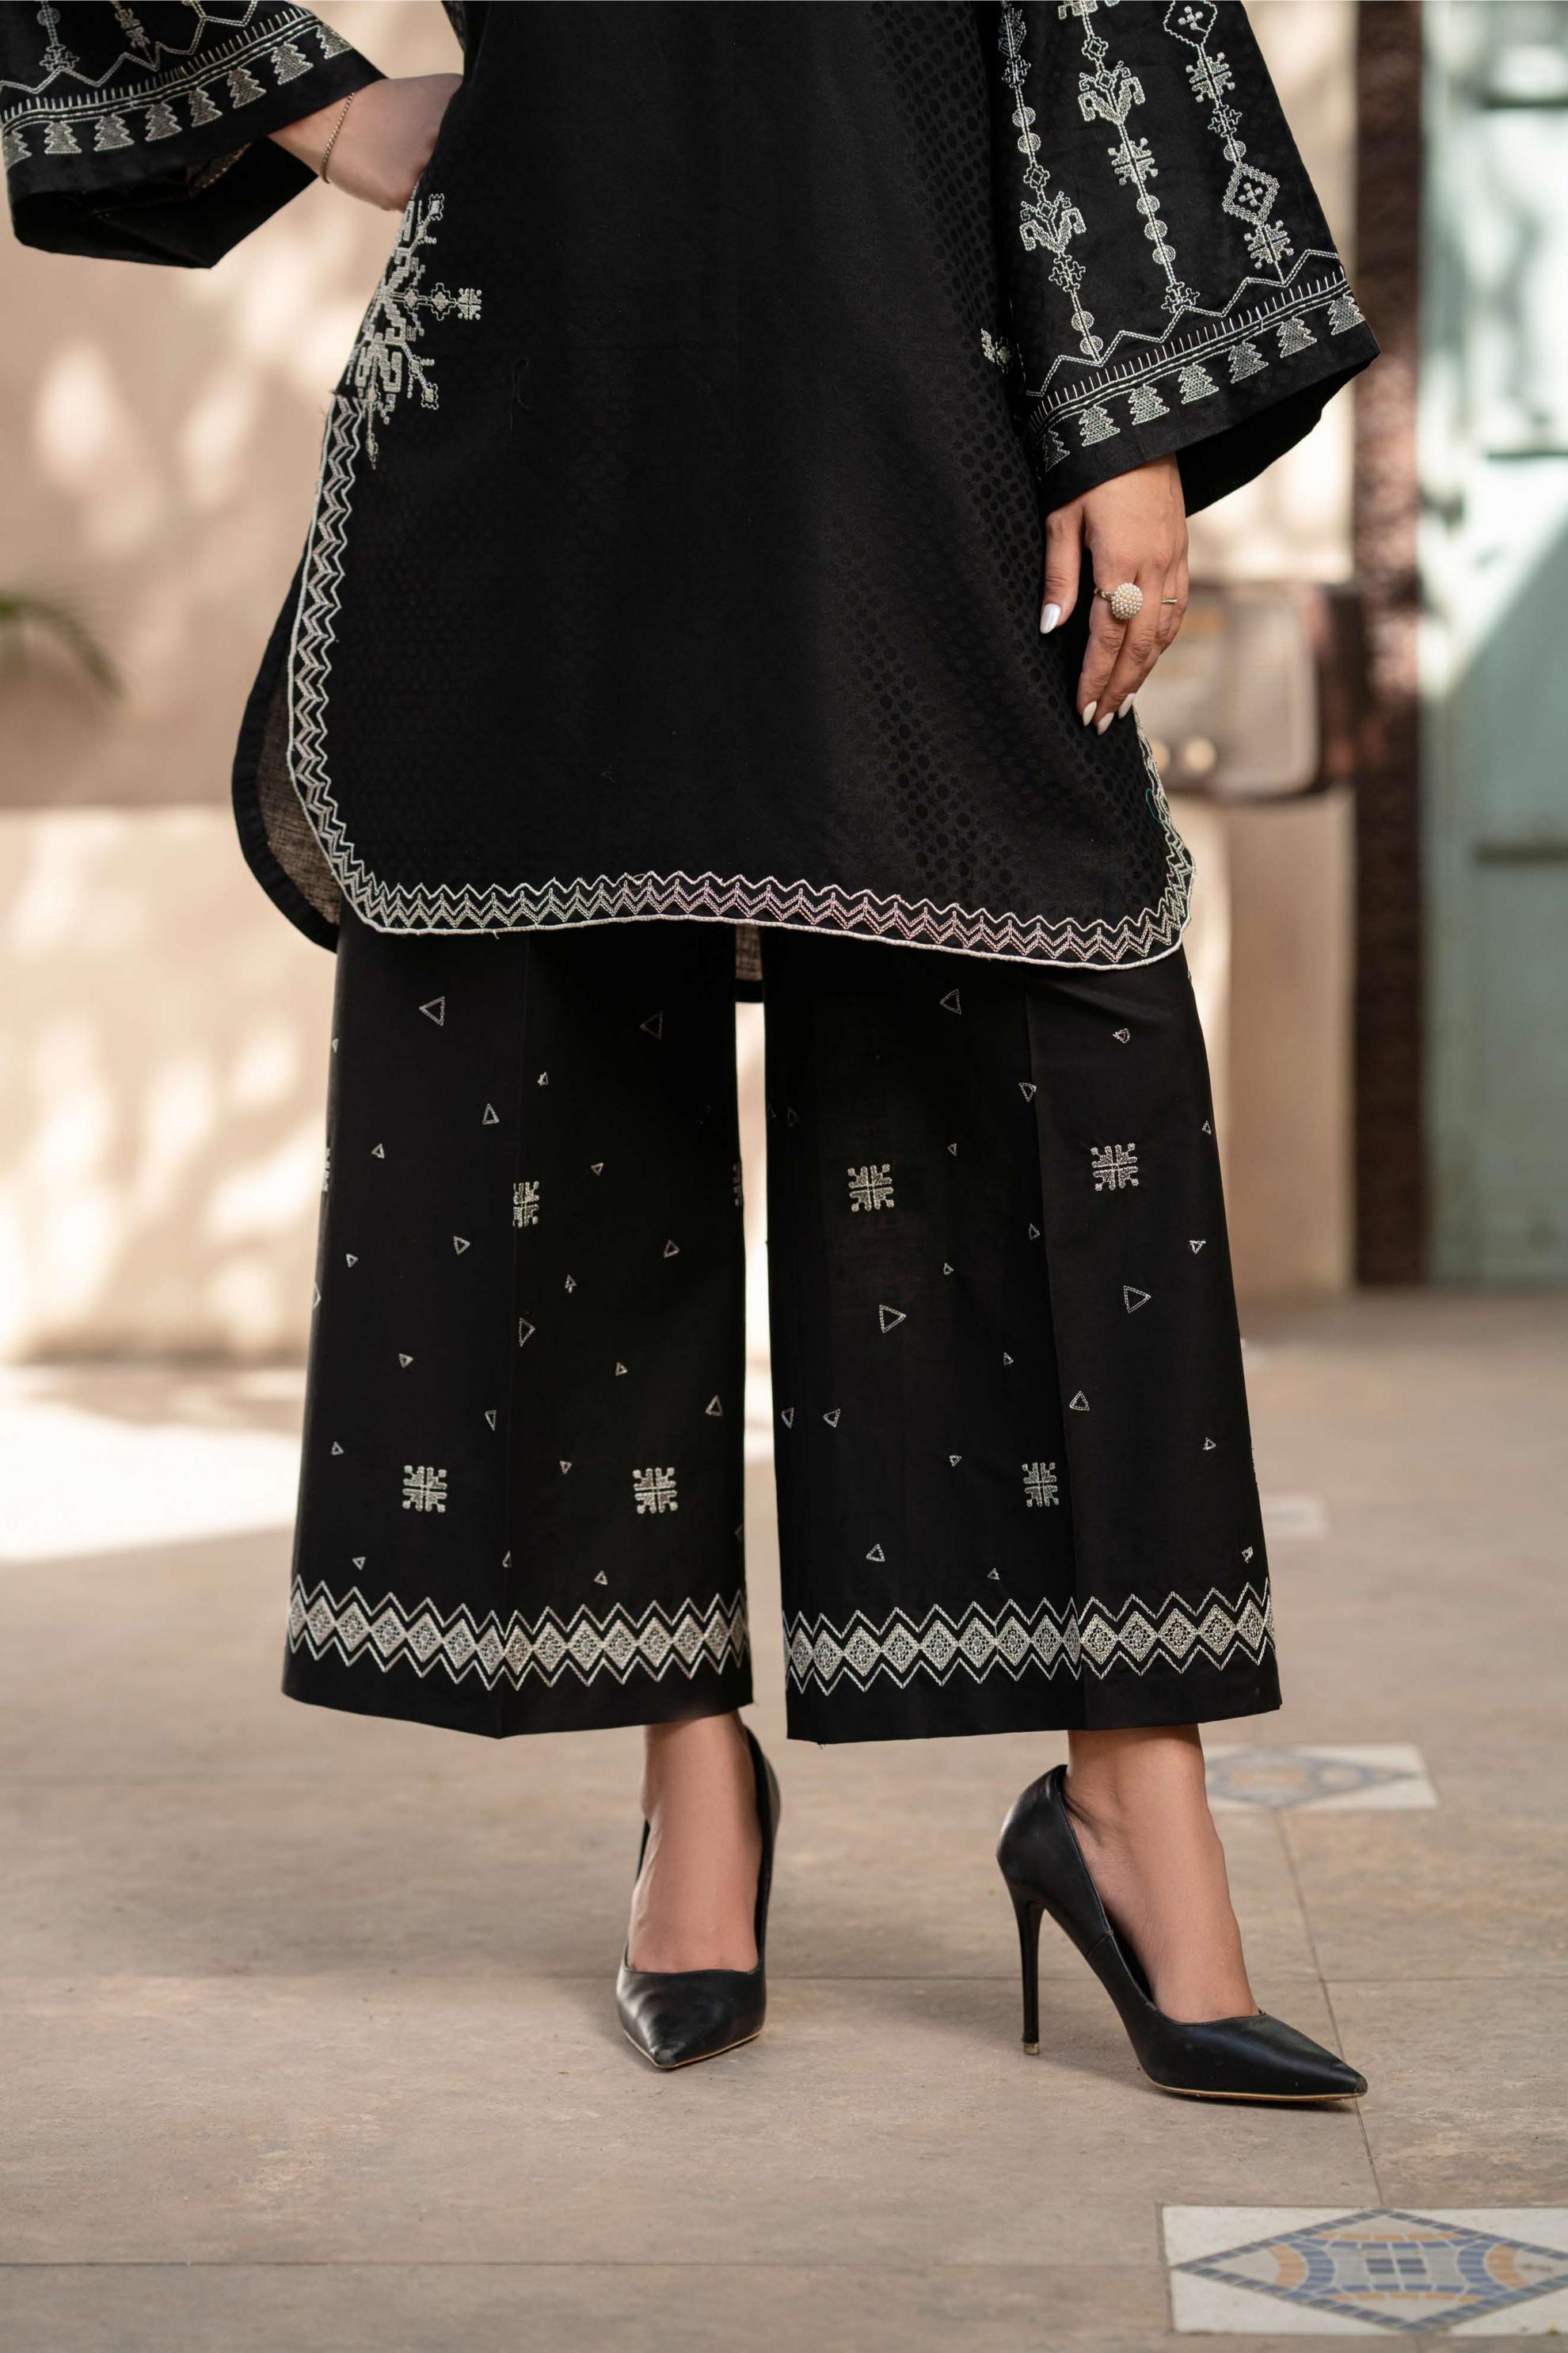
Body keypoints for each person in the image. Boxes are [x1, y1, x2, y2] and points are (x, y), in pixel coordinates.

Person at [3, 0, 1376, 2095]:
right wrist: (319, 111)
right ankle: (690, 1766)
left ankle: (1125, 1791)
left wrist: (1130, 418)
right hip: (562, 362)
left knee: (1049, 1024)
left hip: (928, 357)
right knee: (582, 1033)